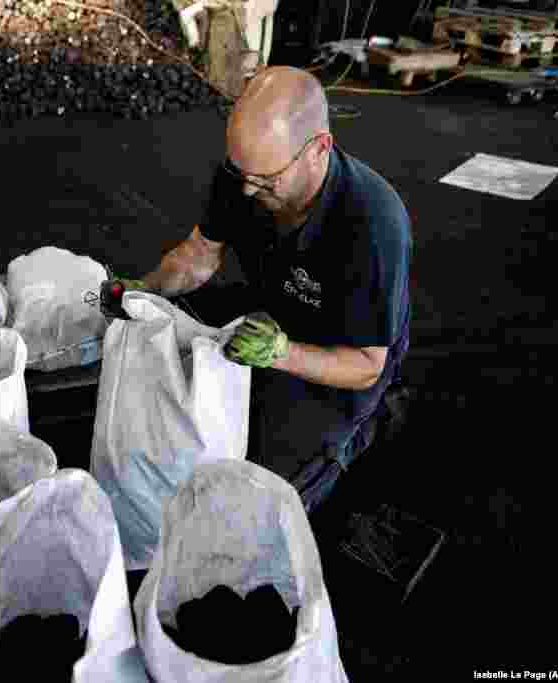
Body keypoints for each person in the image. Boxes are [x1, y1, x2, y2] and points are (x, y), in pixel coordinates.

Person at [109, 66, 413, 516]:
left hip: (339, 354)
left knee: (260, 495)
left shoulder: (373, 223)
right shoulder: (245, 173)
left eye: (267, 179)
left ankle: (367, 428)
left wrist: (281, 354)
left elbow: (367, 364)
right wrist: (146, 290)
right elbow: (198, 256)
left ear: (319, 149)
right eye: (242, 173)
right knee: (160, 335)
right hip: (269, 307)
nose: (248, 190)